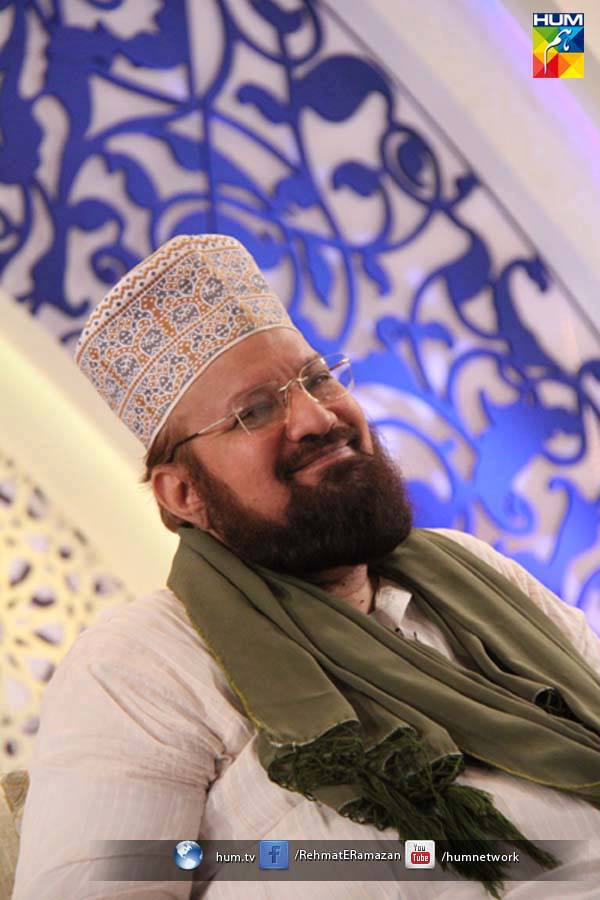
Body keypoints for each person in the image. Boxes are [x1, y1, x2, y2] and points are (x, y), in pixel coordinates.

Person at [12, 234, 600, 900]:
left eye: (317, 378)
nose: (317, 416)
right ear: (184, 494)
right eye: (255, 411)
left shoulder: (475, 574)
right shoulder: (144, 664)